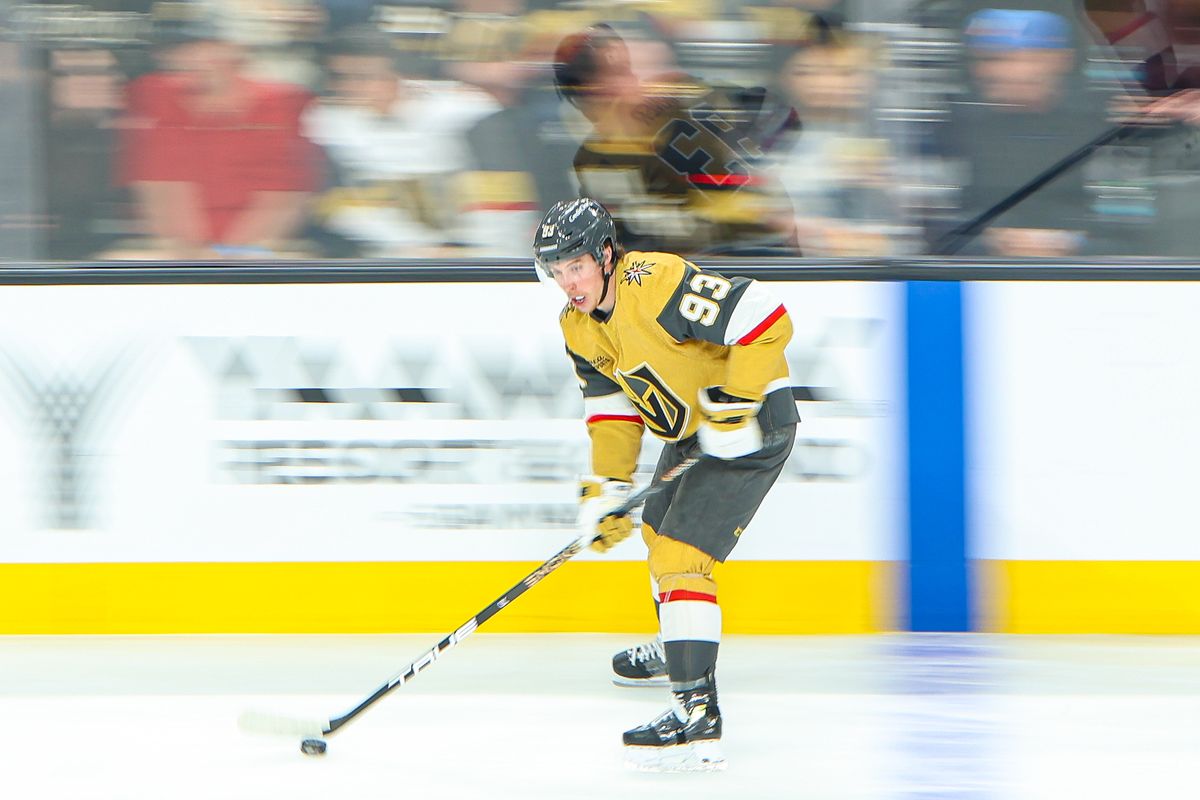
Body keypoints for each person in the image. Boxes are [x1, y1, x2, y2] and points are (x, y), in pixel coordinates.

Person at [533, 197, 798, 772]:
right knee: (657, 534)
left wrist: (739, 403)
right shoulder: (577, 327)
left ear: (605, 253)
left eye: (575, 265)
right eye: (555, 271)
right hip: (691, 435)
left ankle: (695, 708)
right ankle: (680, 647)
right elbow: (612, 412)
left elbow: (765, 314)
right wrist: (606, 487)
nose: (567, 282)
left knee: (680, 558)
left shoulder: (653, 282)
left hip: (751, 427)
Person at [551, 23, 800, 256]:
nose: (626, 85)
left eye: (625, 70)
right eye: (602, 84)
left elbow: (780, 117)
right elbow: (629, 241)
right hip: (691, 268)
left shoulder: (694, 97)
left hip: (765, 252)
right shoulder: (596, 158)